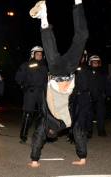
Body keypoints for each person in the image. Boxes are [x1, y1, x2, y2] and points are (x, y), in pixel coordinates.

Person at [28, 0, 89, 167]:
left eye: (48, 131)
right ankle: (77, 3)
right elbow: (79, 135)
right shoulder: (69, 122)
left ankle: (43, 17)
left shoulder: (46, 121)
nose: (50, 130)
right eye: (51, 132)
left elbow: (38, 138)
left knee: (50, 48)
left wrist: (34, 160)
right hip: (69, 70)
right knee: (82, 38)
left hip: (55, 74)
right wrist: (82, 157)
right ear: (55, 132)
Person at [15, 46, 48, 143]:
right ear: (33, 54)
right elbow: (18, 77)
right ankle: (23, 136)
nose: (39, 55)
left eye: (41, 54)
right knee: (28, 114)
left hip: (42, 92)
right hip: (31, 92)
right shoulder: (26, 65)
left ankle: (39, 135)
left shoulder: (45, 67)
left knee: (42, 114)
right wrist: (24, 86)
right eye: (37, 54)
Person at [87, 55, 107, 137]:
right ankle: (89, 130)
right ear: (90, 63)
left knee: (101, 114)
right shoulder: (87, 72)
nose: (95, 63)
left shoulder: (103, 73)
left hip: (100, 96)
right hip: (89, 95)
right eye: (93, 62)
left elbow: (106, 84)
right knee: (89, 114)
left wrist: (106, 93)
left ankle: (101, 130)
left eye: (97, 62)